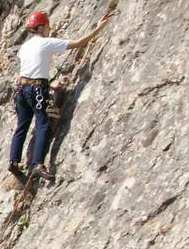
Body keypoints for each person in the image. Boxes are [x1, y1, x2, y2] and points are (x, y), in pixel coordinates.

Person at [9, 10, 114, 181]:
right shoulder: (46, 43)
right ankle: (38, 164)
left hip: (21, 89)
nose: (49, 29)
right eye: (48, 27)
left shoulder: (24, 47)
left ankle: (13, 162)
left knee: (22, 125)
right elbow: (80, 42)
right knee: (43, 124)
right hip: (36, 89)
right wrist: (99, 27)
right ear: (41, 27)